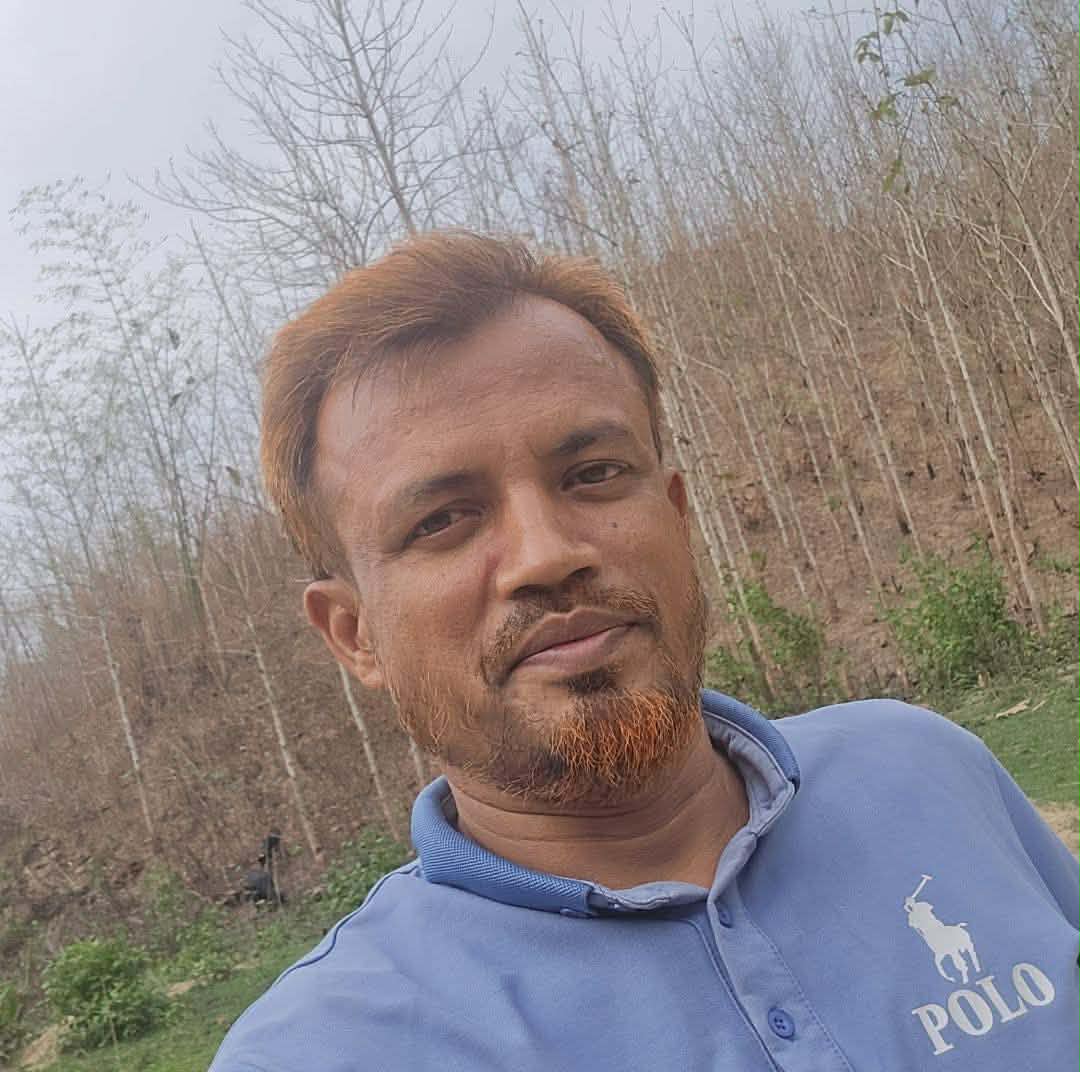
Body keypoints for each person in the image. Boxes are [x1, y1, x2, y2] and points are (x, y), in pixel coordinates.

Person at [210, 232, 1080, 1071]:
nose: (547, 554)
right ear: (354, 634)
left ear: (677, 513)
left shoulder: (927, 772)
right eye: (441, 520)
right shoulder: (320, 1052)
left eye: (592, 473)